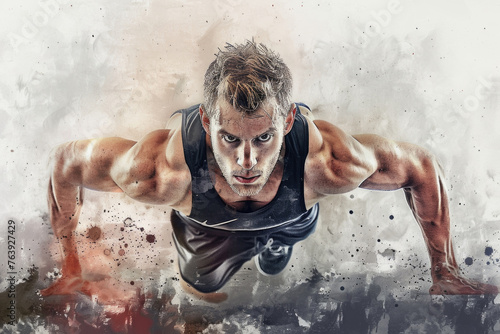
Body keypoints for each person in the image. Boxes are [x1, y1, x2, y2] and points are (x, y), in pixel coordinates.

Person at [41, 41, 498, 299]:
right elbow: (65, 164)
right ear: (205, 121)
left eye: (263, 139)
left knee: (284, 244)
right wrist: (70, 265)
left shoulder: (329, 164)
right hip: (206, 230)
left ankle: (276, 247)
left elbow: (420, 167)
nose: (246, 162)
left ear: (288, 121)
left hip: (294, 217)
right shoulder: (159, 172)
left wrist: (445, 271)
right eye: (229, 139)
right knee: (201, 286)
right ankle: (242, 256)